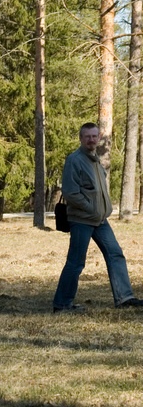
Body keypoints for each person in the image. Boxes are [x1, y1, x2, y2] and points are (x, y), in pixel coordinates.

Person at [52, 122, 143, 313]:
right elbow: (70, 193)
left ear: (98, 138)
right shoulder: (74, 160)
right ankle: (62, 304)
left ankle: (125, 297)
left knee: (115, 254)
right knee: (76, 262)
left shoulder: (95, 160)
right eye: (87, 136)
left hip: (100, 220)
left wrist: (102, 210)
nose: (91, 140)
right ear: (81, 138)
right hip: (81, 220)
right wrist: (91, 209)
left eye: (94, 136)